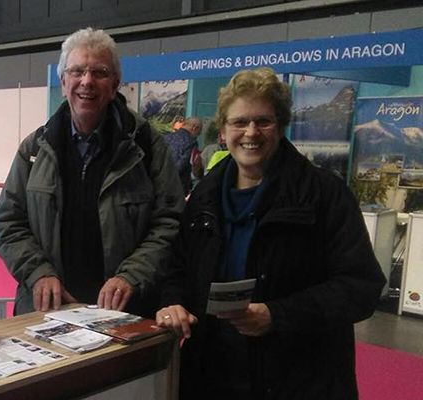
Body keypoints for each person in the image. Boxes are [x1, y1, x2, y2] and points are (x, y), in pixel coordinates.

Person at [155, 67, 385, 399]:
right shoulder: (205, 194)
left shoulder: (323, 194)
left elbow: (361, 287)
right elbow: (177, 267)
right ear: (223, 130)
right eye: (239, 122)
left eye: (263, 121)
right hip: (212, 376)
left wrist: (278, 315)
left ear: (281, 126)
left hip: (297, 379)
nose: (251, 132)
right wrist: (172, 302)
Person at [0, 27, 184, 317]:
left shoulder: (146, 146)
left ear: (115, 83)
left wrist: (131, 276)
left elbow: (169, 222)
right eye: (78, 71)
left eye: (100, 72)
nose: (87, 82)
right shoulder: (34, 148)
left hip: (124, 313)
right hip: (47, 311)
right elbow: (8, 222)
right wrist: (39, 273)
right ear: (63, 80)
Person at [163, 116, 202, 195]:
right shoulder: (191, 143)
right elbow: (183, 165)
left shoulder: (166, 138)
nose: (199, 134)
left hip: (160, 183)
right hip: (178, 187)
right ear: (194, 128)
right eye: (199, 131)